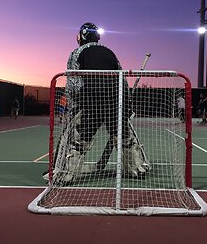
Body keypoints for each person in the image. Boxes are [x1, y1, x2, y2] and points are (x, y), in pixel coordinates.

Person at [46, 22, 149, 184]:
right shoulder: (110, 52)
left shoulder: (77, 52)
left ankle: (65, 174)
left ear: (82, 36)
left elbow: (74, 82)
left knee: (78, 139)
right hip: (115, 102)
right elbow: (122, 78)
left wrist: (74, 108)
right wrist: (126, 103)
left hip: (91, 103)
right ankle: (136, 169)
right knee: (123, 136)